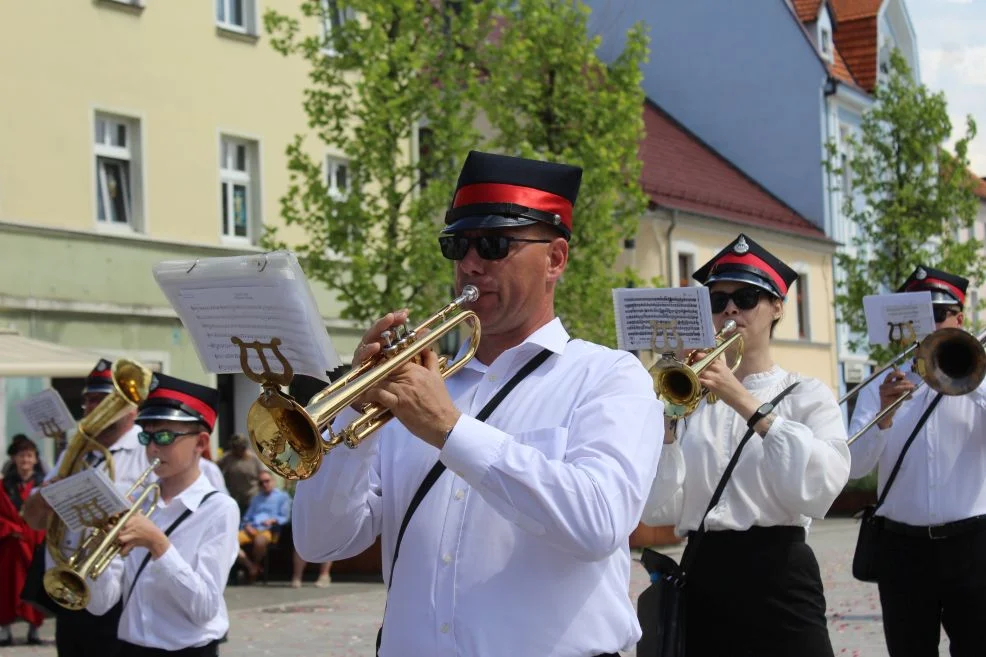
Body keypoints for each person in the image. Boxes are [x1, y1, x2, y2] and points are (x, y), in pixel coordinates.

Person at [291, 150, 662, 657]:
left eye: (493, 244)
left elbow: (597, 524)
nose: (469, 264)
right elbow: (321, 543)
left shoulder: (607, 376)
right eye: (457, 245)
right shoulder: (418, 385)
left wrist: (449, 429)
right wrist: (355, 414)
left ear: (555, 258)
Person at [640, 234, 851, 657]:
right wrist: (666, 430)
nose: (731, 309)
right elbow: (659, 509)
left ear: (777, 307)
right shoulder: (690, 399)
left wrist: (741, 399)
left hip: (780, 574)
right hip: (704, 572)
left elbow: (821, 487)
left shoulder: (806, 393)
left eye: (747, 297)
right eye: (718, 301)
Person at [848, 265, 986, 657]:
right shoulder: (880, 385)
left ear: (960, 319)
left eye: (939, 315)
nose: (930, 325)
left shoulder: (982, 378)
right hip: (902, 550)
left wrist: (970, 380)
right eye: (918, 317)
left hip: (973, 544)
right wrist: (884, 416)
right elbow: (855, 466)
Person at [85, 373, 240, 656]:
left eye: (165, 436)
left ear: (201, 443)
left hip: (189, 649)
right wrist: (97, 545)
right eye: (146, 436)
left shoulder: (219, 509)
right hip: (130, 646)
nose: (153, 447)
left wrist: (159, 545)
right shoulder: (137, 504)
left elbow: (204, 608)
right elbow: (101, 603)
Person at [22, 358, 151, 657]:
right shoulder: (74, 450)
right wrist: (47, 494)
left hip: (121, 595)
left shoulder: (145, 451)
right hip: (68, 588)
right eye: (88, 400)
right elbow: (34, 520)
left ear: (130, 407)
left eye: (102, 399)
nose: (92, 407)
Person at [0, 436, 46, 646]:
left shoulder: (44, 485)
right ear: (14, 458)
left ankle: (33, 630)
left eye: (29, 455)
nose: (25, 460)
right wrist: (11, 529)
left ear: (36, 459)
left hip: (34, 544)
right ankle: (4, 631)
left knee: (35, 586)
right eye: (21, 455)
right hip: (9, 547)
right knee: (5, 588)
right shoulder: (3, 486)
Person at [235, 471, 290, 583]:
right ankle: (252, 567)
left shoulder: (282, 497)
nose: (264, 484)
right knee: (229, 541)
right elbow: (247, 518)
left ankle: (254, 567)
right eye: (261, 483)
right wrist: (247, 525)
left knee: (259, 541)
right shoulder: (256, 498)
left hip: (268, 530)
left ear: (273, 481)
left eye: (267, 481)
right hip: (252, 528)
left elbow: (285, 517)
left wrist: (273, 520)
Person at [217, 434, 262, 515]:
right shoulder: (227, 457)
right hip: (233, 497)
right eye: (235, 447)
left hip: (251, 498)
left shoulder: (253, 459)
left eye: (240, 447)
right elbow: (216, 470)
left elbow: (262, 475)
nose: (237, 450)